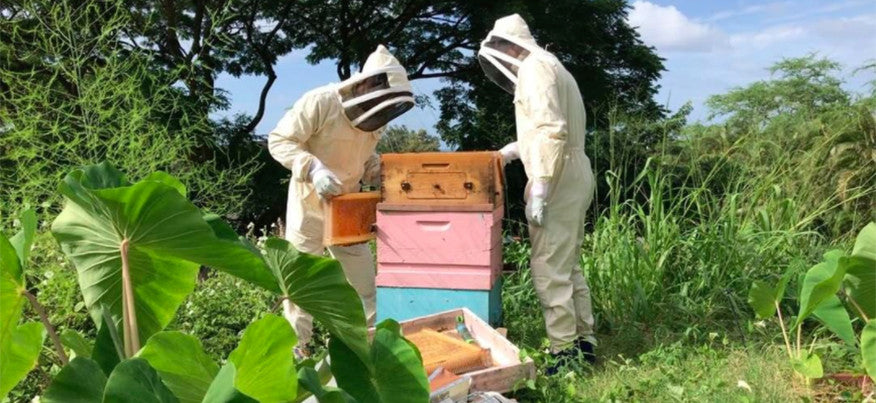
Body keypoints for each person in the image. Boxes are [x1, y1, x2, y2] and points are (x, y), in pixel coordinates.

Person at [268, 45, 414, 356]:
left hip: (347, 209)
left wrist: (388, 172)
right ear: (366, 84)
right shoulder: (320, 101)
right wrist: (313, 168)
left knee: (363, 284)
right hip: (308, 204)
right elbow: (279, 140)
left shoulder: (375, 118)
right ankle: (298, 350)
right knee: (300, 282)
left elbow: (363, 160)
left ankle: (365, 347)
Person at [479, 14, 597, 373]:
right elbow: (553, 129)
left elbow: (550, 128)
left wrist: (542, 186)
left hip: (557, 174)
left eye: (500, 48)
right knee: (567, 263)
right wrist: (515, 150)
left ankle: (565, 354)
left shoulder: (534, 67)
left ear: (510, 46)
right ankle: (584, 341)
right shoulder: (554, 66)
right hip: (574, 168)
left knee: (548, 265)